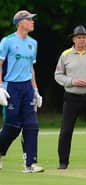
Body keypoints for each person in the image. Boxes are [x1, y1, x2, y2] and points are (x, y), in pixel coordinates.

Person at [54, 25, 86, 169]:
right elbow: (58, 75)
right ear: (73, 39)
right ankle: (63, 162)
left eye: (84, 37)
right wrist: (72, 82)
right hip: (72, 96)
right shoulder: (65, 55)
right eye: (79, 38)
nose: (81, 40)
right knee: (66, 130)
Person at [0, 10, 44, 173]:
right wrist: (0, 88)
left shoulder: (33, 43)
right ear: (20, 23)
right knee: (12, 126)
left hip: (27, 87)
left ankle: (30, 163)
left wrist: (35, 89)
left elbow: (31, 68)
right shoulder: (7, 41)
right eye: (29, 19)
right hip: (11, 86)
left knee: (32, 125)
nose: (32, 22)